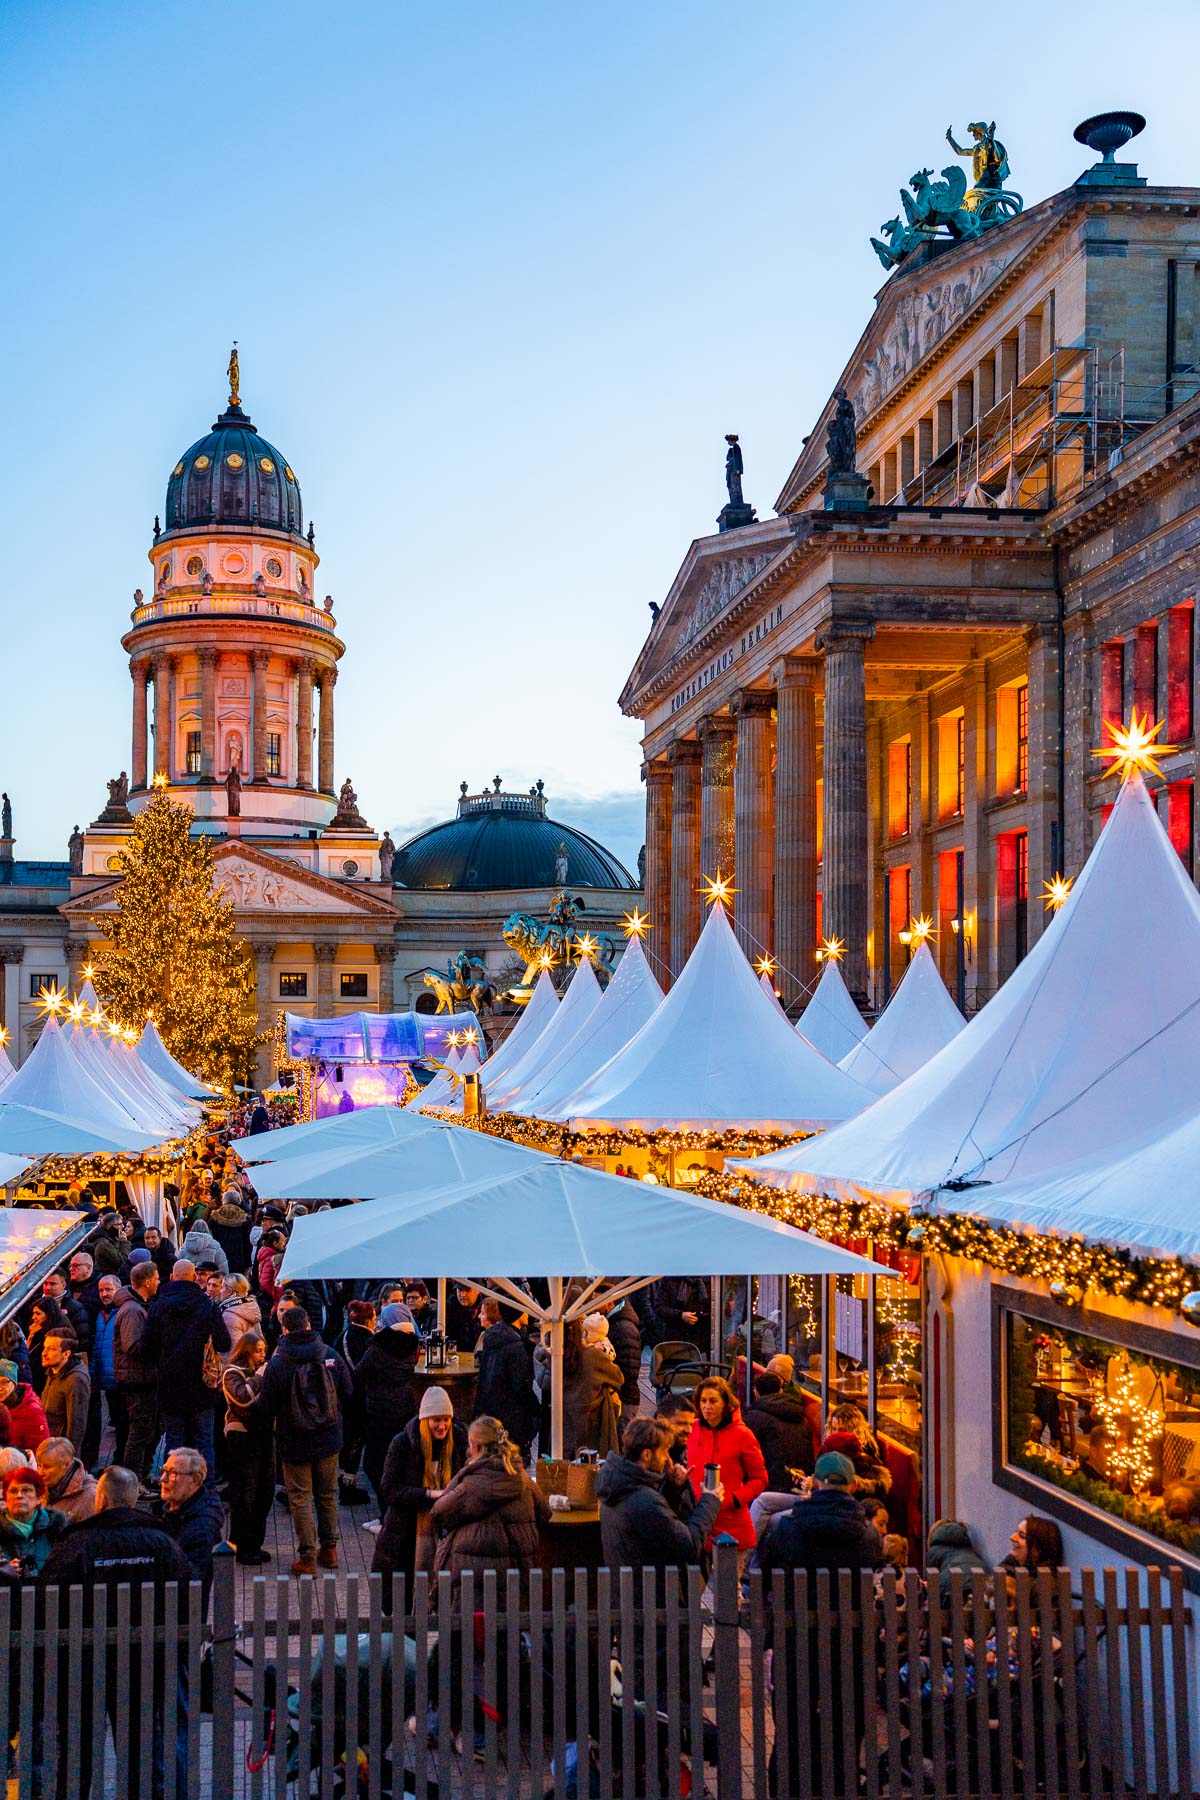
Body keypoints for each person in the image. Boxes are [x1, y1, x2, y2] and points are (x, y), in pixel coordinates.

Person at [42, 1464, 194, 1800]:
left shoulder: (77, 1545)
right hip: (146, 1668)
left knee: (76, 1754)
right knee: (140, 1753)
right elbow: (187, 1604)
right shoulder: (163, 1543)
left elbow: (46, 1604)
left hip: (84, 1670)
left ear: (102, 1501)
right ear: (135, 1500)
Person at [757, 1451, 883, 1797]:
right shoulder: (869, 1537)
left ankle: (789, 1789)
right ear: (854, 1485)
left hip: (793, 1643)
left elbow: (763, 1578)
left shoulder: (785, 1530)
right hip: (849, 1649)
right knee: (844, 1730)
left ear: (814, 1483)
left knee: (791, 1730)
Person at [255, 1304, 351, 1577]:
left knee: (299, 1498)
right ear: (309, 1324)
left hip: (294, 1441)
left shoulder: (278, 1363)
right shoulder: (329, 1354)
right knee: (328, 1494)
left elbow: (266, 1407)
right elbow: (348, 1391)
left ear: (284, 1330)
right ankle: (330, 1550)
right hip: (329, 1438)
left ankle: (307, 1557)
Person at [429, 1414, 550, 1597]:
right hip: (516, 1578)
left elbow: (438, 1513)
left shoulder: (469, 1486)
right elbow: (545, 1513)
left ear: (475, 1446)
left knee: (471, 1624)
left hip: (473, 1582)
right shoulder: (523, 1480)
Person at [373, 1385, 468, 1596]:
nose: (442, 1426)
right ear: (425, 1420)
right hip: (408, 1529)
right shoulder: (402, 1443)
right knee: (405, 1589)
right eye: (437, 1420)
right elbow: (390, 1489)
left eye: (446, 1419)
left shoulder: (459, 1441)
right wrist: (429, 1494)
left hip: (447, 1527)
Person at [598, 1416, 722, 1576]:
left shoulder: (616, 1484)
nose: (667, 1458)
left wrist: (672, 1488)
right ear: (647, 1455)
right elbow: (689, 1546)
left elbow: (655, 1527)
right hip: (650, 1594)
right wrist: (710, 1500)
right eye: (664, 1451)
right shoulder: (644, 1500)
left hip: (626, 1590)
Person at [142, 1259, 231, 1482]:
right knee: (204, 1441)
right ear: (193, 1278)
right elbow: (223, 1342)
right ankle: (205, 1491)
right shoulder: (207, 1305)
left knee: (174, 1441)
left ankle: (174, 1490)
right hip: (201, 1386)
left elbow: (147, 1348)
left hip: (170, 1385)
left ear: (172, 1277)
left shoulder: (158, 1306)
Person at [685, 1376, 767, 1561]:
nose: (707, 1406)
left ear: (725, 1403)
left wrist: (735, 1499)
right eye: (703, 1401)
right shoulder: (692, 1428)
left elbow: (760, 1479)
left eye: (713, 1401)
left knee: (724, 1588)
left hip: (731, 1524)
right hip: (697, 1522)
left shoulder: (743, 1435)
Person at [354, 1301, 420, 1504]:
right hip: (405, 1408)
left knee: (374, 1463)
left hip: (381, 1412)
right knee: (398, 1461)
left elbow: (358, 1374)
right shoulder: (412, 1345)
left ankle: (386, 1512)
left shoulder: (378, 1347)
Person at [221, 1332, 273, 1564]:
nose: (263, 1355)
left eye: (264, 1350)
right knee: (245, 1494)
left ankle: (254, 1543)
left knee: (264, 1492)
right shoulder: (232, 1372)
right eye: (258, 1350)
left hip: (263, 1434)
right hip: (242, 1437)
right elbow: (242, 1398)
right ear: (247, 1351)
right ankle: (241, 1546)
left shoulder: (261, 1371)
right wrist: (261, 1377)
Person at [159, 1447, 226, 1611]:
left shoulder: (201, 1527)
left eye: (173, 1474)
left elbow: (192, 1582)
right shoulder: (175, 1510)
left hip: (180, 1618)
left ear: (195, 1480)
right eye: (164, 1471)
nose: (163, 1479)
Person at [112, 1259, 160, 1486]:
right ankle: (133, 1483)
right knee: (139, 1433)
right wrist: (158, 1343)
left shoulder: (140, 1306)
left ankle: (142, 1476)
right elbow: (133, 1346)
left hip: (143, 1378)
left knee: (148, 1430)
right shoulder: (132, 1310)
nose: (159, 1282)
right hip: (137, 1380)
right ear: (148, 1282)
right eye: (157, 1278)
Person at [474, 1297, 538, 1458]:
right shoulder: (515, 1345)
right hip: (512, 1416)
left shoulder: (492, 1337)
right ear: (517, 1313)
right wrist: (537, 1411)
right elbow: (521, 1386)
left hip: (492, 1410)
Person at [555, 1317, 623, 1459]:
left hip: (564, 1417)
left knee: (567, 1462)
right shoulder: (592, 1354)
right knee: (590, 1466)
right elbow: (618, 1378)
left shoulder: (556, 1354)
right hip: (592, 1420)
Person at [744, 1370, 816, 1491]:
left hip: (769, 1485)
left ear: (756, 1393)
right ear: (780, 1391)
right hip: (801, 1482)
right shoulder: (800, 1416)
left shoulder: (753, 1418)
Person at [83, 1273, 126, 1467]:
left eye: (108, 1289)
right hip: (106, 1377)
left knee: (123, 1421)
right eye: (101, 1290)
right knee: (117, 1420)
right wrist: (94, 1373)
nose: (104, 1294)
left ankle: (119, 1460)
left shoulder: (122, 1312)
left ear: (118, 1288)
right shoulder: (101, 1314)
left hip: (119, 1377)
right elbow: (97, 1347)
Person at [0, 1464, 66, 1576]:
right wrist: (4, 1572)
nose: (19, 1496)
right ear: (5, 1499)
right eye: (13, 1491)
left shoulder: (57, 1528)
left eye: (26, 1490)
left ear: (39, 1498)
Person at [40, 1331, 91, 1454]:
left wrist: (68, 1456)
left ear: (66, 1353)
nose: (44, 1353)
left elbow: (76, 1424)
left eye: (51, 1349)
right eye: (44, 1347)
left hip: (61, 1453)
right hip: (49, 1445)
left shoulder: (75, 1380)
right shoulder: (53, 1372)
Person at [926, 1518, 988, 1605]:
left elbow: (933, 1579)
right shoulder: (969, 1550)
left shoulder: (934, 1551)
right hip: (981, 1586)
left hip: (949, 1586)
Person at [36, 1436, 98, 1524]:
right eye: (39, 1465)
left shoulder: (89, 1497)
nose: (40, 1472)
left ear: (67, 1464)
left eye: (47, 1466)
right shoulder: (39, 1487)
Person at [601, 1296, 643, 1419]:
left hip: (624, 1398)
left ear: (610, 1304)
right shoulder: (613, 1323)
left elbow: (629, 1369)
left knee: (622, 1436)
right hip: (620, 1395)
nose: (593, 1307)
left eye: (597, 1302)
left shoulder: (624, 1328)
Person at [37, 1272, 91, 1357]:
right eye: (45, 1283)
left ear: (63, 1285)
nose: (48, 1287)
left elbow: (81, 1338)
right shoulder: (34, 1304)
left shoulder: (74, 1308)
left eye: (53, 1284)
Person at [0, 1359, 48, 1454]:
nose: (0, 1387)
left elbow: (39, 1451)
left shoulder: (31, 1411)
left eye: (4, 1382)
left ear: (14, 1383)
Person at [653, 1277, 710, 1354]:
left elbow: (712, 1307)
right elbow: (660, 1307)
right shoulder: (670, 1280)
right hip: (676, 1337)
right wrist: (680, 1315)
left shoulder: (708, 1281)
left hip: (700, 1336)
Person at [25, 1297, 67, 1393]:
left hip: (48, 1378)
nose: (33, 1317)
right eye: (33, 1313)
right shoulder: (35, 1330)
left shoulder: (56, 1333)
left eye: (38, 1314)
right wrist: (31, 1336)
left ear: (48, 1315)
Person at [219, 1273, 262, 1360]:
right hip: (252, 1362)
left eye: (222, 1287)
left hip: (236, 1367)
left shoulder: (229, 1315)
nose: (220, 1291)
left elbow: (234, 1350)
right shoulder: (251, 1308)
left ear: (229, 1291)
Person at [209, 1192, 252, 1274]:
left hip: (218, 1257)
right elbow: (247, 1242)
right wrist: (248, 1262)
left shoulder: (215, 1217)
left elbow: (210, 1237)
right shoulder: (245, 1218)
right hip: (238, 1258)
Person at [443, 1283, 481, 1351]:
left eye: (467, 1291)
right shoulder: (446, 1309)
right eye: (460, 1290)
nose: (463, 1295)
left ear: (478, 1290)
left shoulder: (486, 1309)